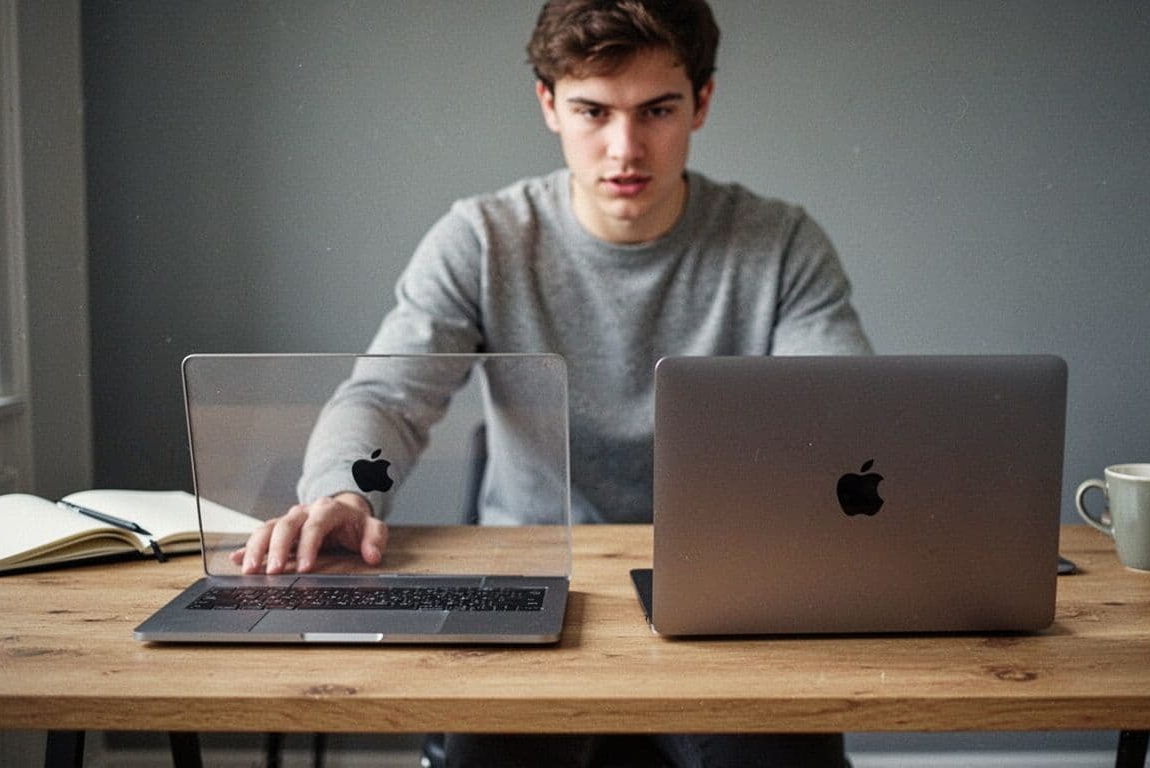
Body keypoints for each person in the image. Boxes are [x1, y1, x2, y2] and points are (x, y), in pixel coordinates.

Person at [236, 1, 871, 765]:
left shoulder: (780, 244)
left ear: (702, 102)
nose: (624, 148)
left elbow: (842, 419)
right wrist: (344, 492)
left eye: (657, 110)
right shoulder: (482, 239)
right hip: (535, 587)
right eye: (592, 111)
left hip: (725, 589)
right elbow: (386, 399)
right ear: (548, 104)